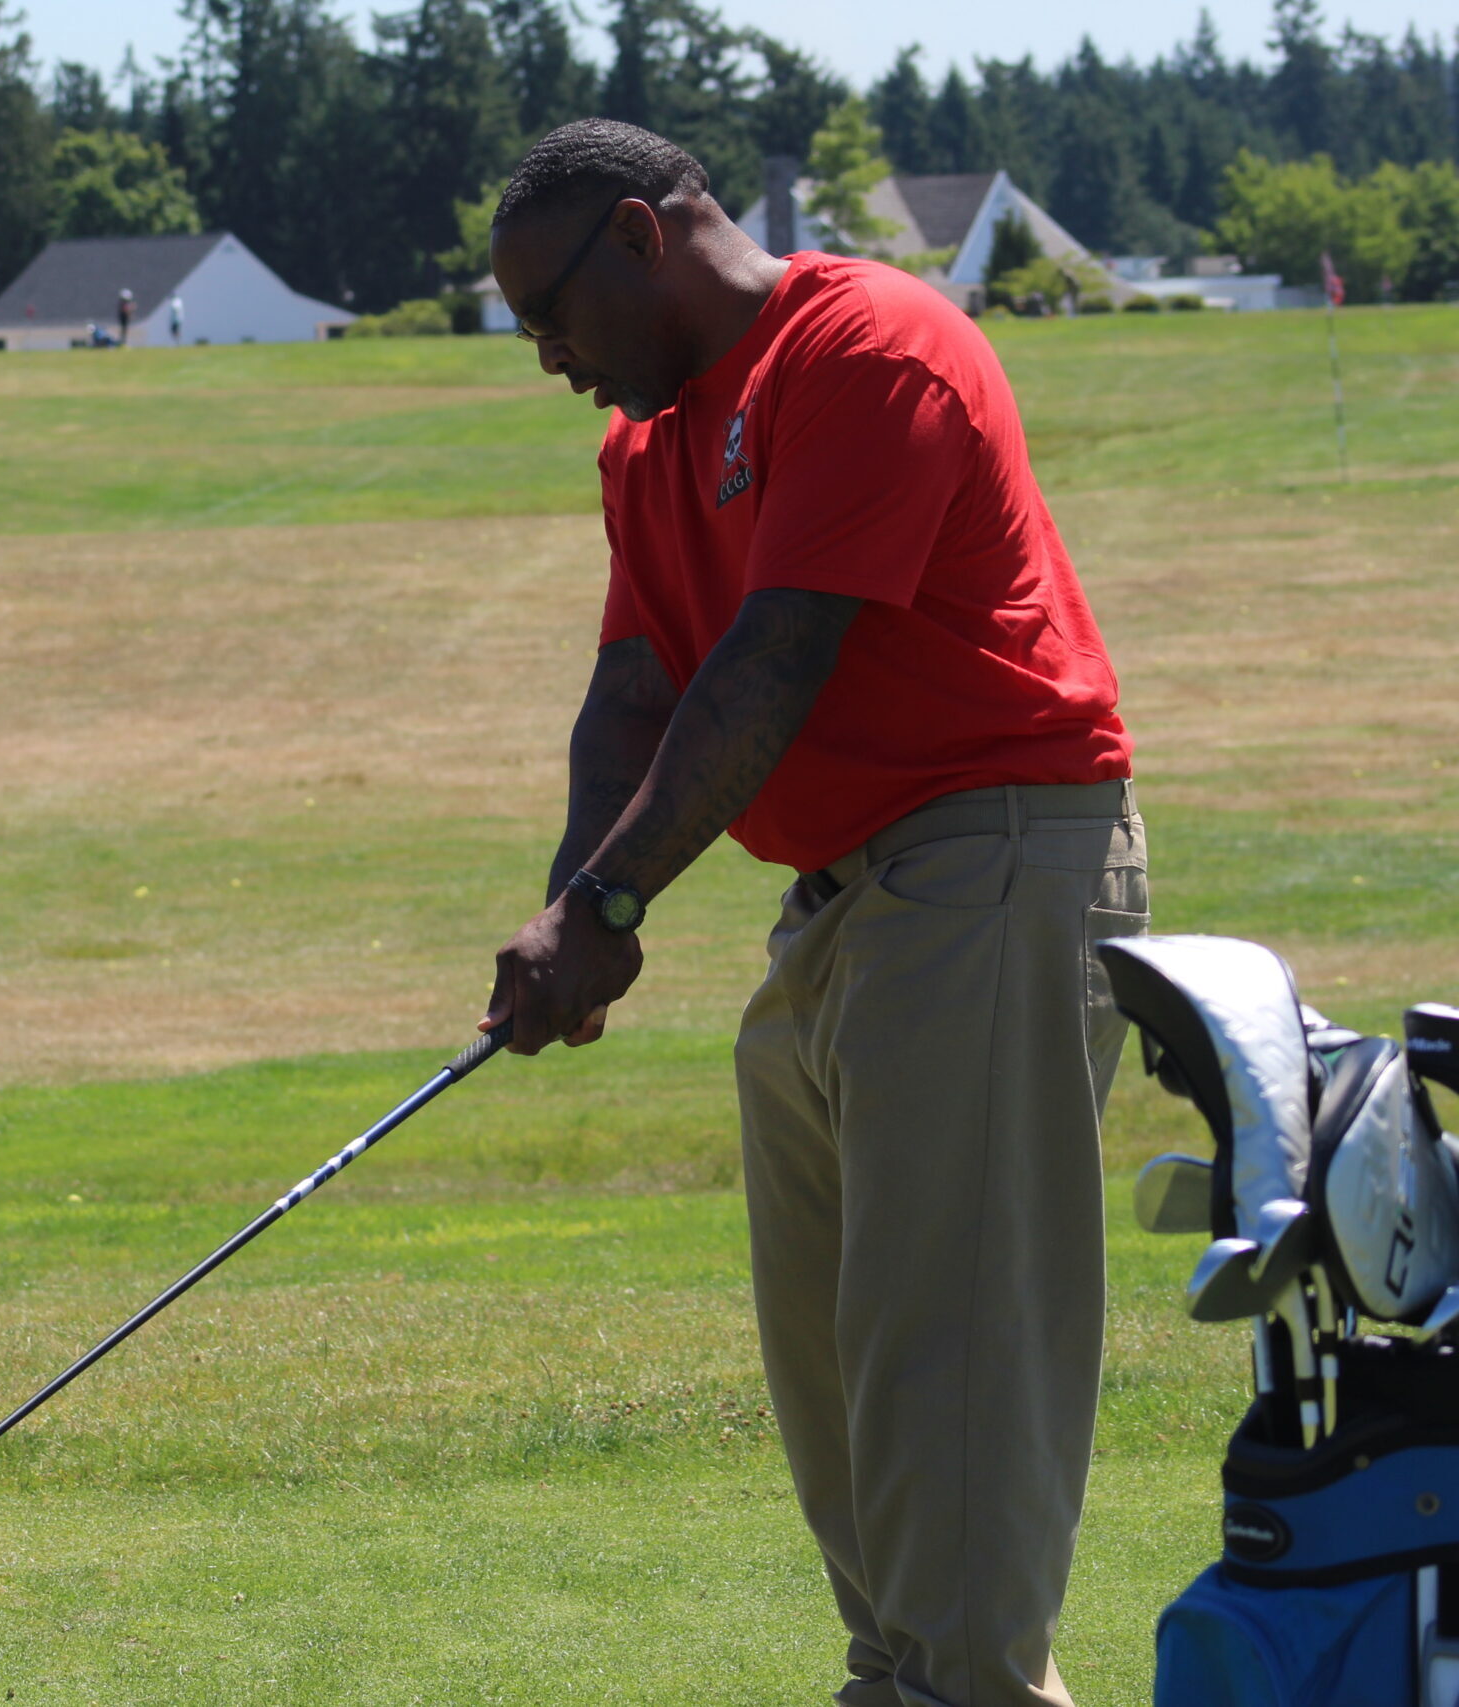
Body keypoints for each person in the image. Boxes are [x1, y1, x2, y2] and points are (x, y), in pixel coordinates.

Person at [478, 121, 1144, 1707]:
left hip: (987, 856)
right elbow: (636, 689)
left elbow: (774, 660)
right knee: (840, 1367)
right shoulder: (648, 446)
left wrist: (617, 901)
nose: (549, 357)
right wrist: (575, 913)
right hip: (840, 900)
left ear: (642, 239)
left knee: (950, 1361)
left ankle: (963, 1687)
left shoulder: (870, 346)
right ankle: (907, 1678)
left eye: (549, 315)